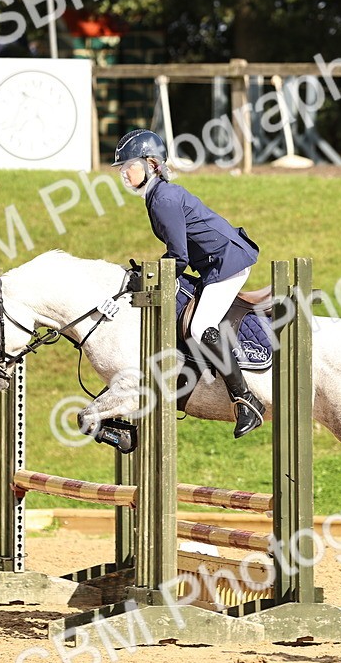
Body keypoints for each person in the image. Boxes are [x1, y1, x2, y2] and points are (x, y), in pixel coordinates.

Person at [113, 129, 265, 438]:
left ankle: (246, 400)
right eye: (121, 168)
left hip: (227, 263)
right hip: (213, 264)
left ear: (151, 164)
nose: (124, 174)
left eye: (129, 166)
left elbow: (178, 257)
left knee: (199, 327)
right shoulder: (158, 195)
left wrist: (149, 278)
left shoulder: (163, 198)